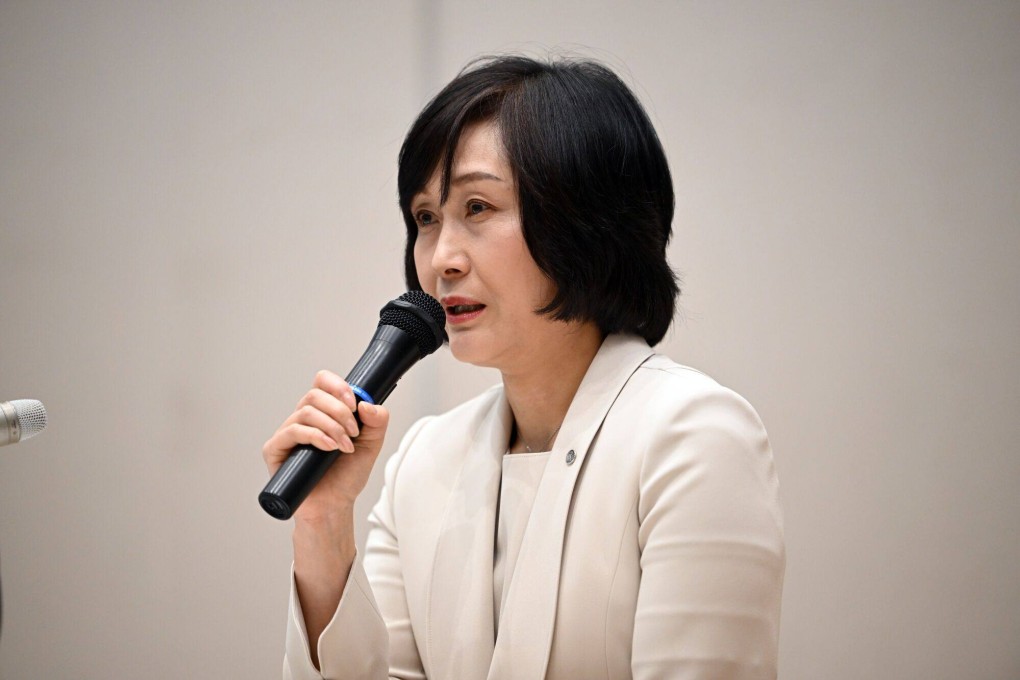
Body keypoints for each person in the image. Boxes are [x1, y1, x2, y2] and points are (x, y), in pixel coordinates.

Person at [263, 55, 785, 680]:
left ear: (584, 220)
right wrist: (322, 524)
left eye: (478, 207)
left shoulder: (693, 436)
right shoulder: (426, 460)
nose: (441, 259)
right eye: (426, 218)